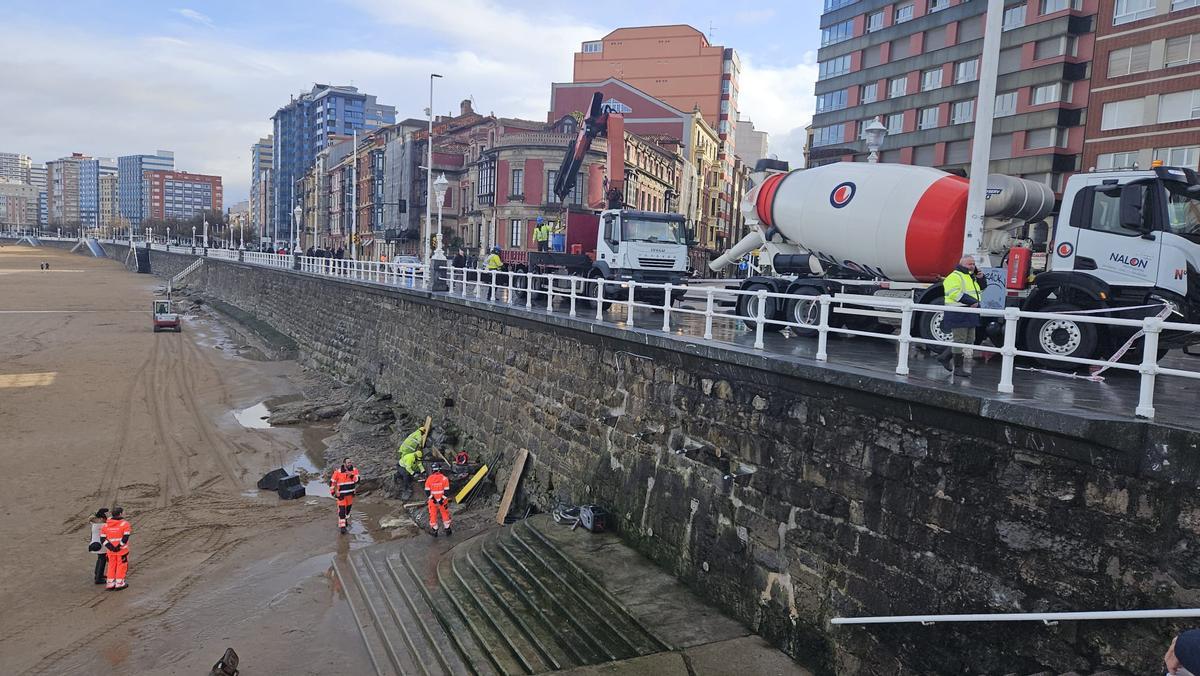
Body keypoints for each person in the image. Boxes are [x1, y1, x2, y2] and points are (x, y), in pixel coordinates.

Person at [938, 254, 986, 376]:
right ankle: (958, 368)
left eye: (973, 263)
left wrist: (981, 278)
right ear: (962, 264)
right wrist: (973, 302)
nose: (972, 266)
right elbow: (955, 294)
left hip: (970, 311)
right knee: (960, 340)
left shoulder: (970, 276)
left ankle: (944, 357)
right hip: (957, 312)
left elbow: (982, 288)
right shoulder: (954, 276)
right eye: (969, 264)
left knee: (970, 339)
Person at [100, 506, 132, 590]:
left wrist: (111, 547)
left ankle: (110, 583)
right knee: (121, 566)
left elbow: (102, 539)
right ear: (120, 514)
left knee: (111, 565)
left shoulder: (106, 525)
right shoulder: (125, 524)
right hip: (121, 551)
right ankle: (119, 583)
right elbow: (125, 537)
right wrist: (118, 546)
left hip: (111, 551)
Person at [329, 457, 360, 534]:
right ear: (344, 464)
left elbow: (358, 480)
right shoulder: (338, 472)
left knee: (347, 511)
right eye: (348, 462)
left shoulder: (354, 470)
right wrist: (333, 493)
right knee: (342, 510)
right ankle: (342, 527)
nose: (350, 464)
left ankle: (345, 520)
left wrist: (351, 475)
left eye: (350, 462)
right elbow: (332, 483)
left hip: (350, 495)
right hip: (341, 495)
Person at [424, 463, 452, 537]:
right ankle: (448, 530)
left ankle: (435, 531)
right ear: (440, 469)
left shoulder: (429, 479)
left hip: (432, 502)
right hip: (442, 501)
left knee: (433, 515)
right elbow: (447, 492)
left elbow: (427, 491)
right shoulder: (444, 478)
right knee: (445, 514)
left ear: (432, 470)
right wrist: (441, 500)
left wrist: (433, 499)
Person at [88, 508, 109, 585]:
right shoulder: (103, 525)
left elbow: (92, 518)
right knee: (102, 560)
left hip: (94, 544)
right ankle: (99, 578)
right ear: (101, 518)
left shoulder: (94, 524)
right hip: (101, 546)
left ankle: (97, 574)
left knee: (100, 559)